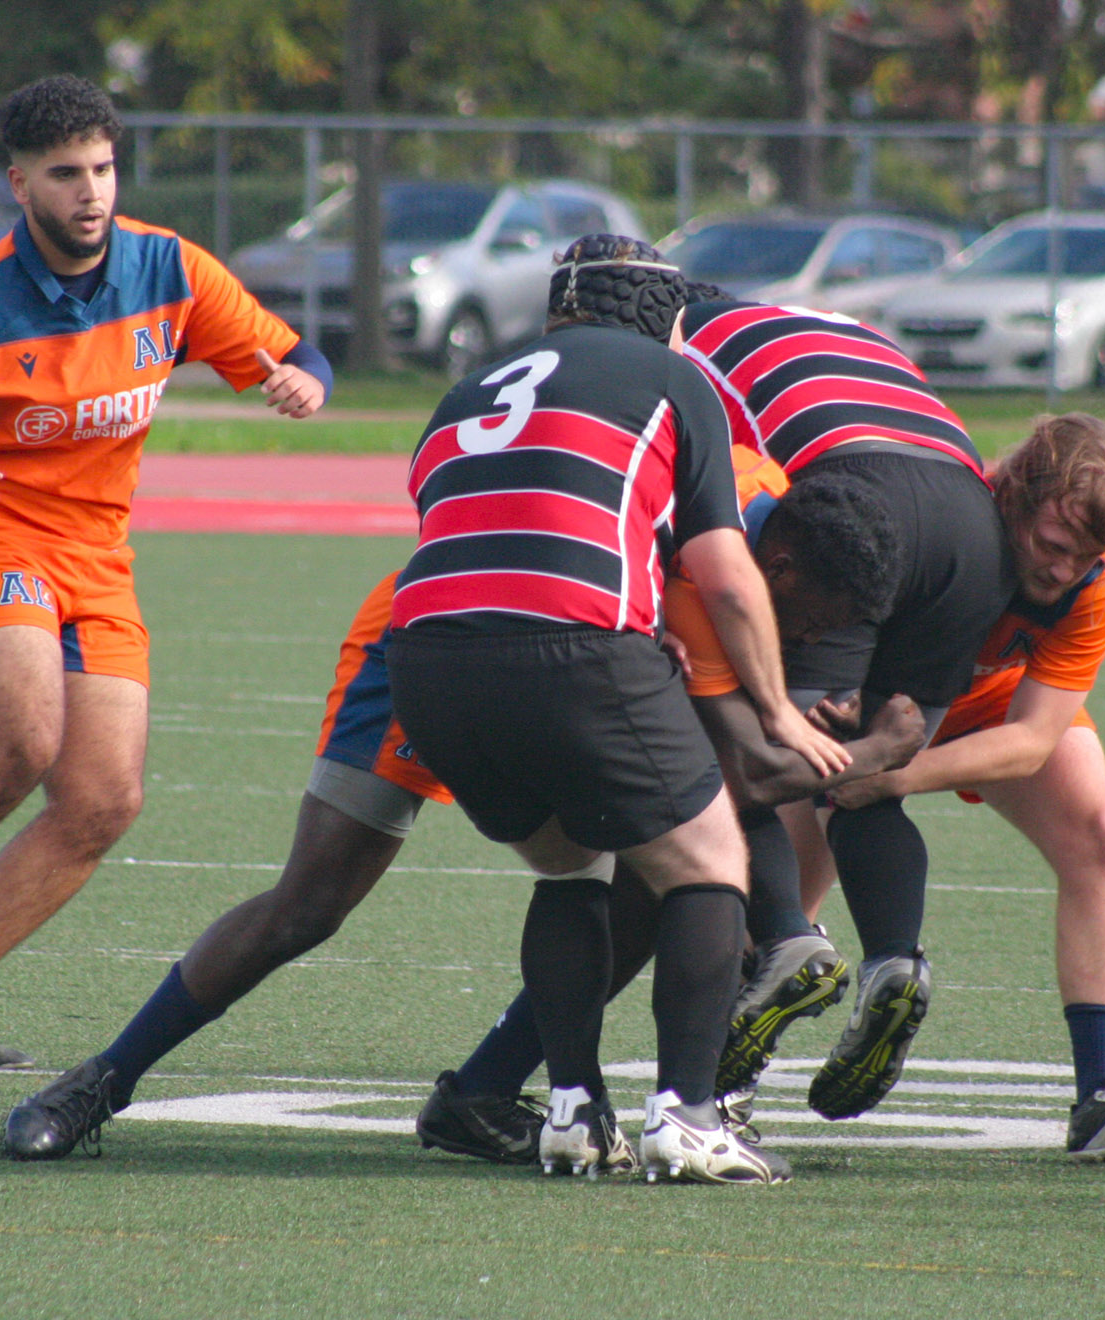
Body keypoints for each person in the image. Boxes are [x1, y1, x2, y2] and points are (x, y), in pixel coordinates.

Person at [0, 449, 922, 1162]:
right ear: (783, 563)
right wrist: (871, 756)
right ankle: (102, 1081)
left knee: (652, 873)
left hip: (554, 654)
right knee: (308, 905)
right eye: (810, 622)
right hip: (438, 638)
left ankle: (499, 1093)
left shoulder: (753, 500)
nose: (804, 643)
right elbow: (748, 775)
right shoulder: (716, 564)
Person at [0, 75, 331, 1068]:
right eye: (66, 174)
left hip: (98, 558)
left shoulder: (169, 270)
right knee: (24, 740)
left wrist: (300, 381)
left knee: (102, 800)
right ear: (19, 184)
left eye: (103, 169)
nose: (90, 192)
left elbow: (295, 354)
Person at [393, 232, 871, 1186]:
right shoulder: (672, 376)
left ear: (560, 310)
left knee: (571, 870)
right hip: (571, 645)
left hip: (426, 663)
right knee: (707, 863)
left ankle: (571, 1110)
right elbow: (728, 574)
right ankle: (687, 1117)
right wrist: (777, 709)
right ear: (669, 318)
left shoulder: (465, 390)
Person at [816, 414, 1105, 1161]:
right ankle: (716, 1088)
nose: (1066, 569)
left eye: (1084, 554)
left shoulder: (1099, 569)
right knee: (784, 912)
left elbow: (1032, 738)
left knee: (1099, 835)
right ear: (1011, 496)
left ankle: (1101, 1095)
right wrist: (859, 759)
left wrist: (896, 776)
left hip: (987, 700)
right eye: (1054, 546)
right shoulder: (945, 521)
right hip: (870, 698)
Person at [678, 296, 1018, 1122]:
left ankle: (741, 1043)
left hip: (852, 517)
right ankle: (895, 960)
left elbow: (721, 500)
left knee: (742, 779)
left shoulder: (690, 341)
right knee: (865, 785)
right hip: (974, 534)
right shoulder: (849, 326)